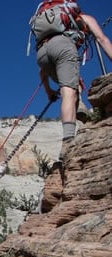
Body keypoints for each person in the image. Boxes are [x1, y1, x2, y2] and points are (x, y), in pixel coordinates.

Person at [36, 6, 112, 163]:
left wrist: (49, 92)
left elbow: (42, 73)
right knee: (68, 91)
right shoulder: (84, 18)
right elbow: (101, 39)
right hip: (63, 47)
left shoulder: (47, 29)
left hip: (42, 53)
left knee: (72, 83)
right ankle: (68, 141)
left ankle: (81, 108)